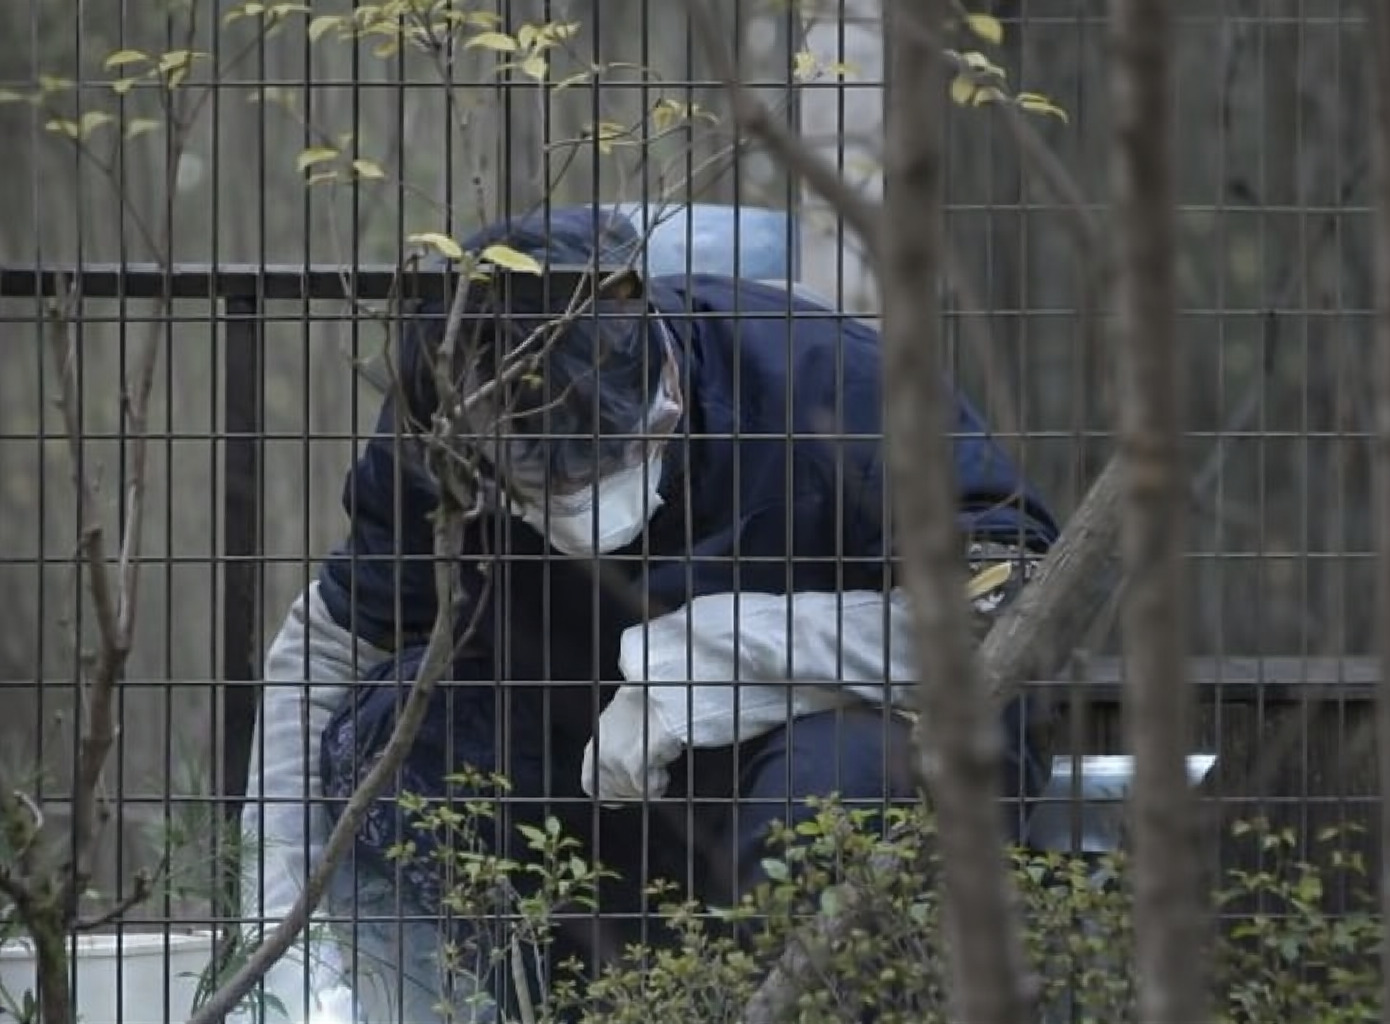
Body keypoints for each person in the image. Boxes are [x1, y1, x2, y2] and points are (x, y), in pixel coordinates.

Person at [236, 204, 1060, 1023]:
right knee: (387, 740)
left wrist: (726, 657)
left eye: (598, 461)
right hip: (592, 765)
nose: (574, 498)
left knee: (833, 787)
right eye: (538, 481)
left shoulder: (827, 378)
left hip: (814, 749)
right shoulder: (448, 410)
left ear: (664, 376)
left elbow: (1014, 603)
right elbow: (325, 653)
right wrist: (274, 957)